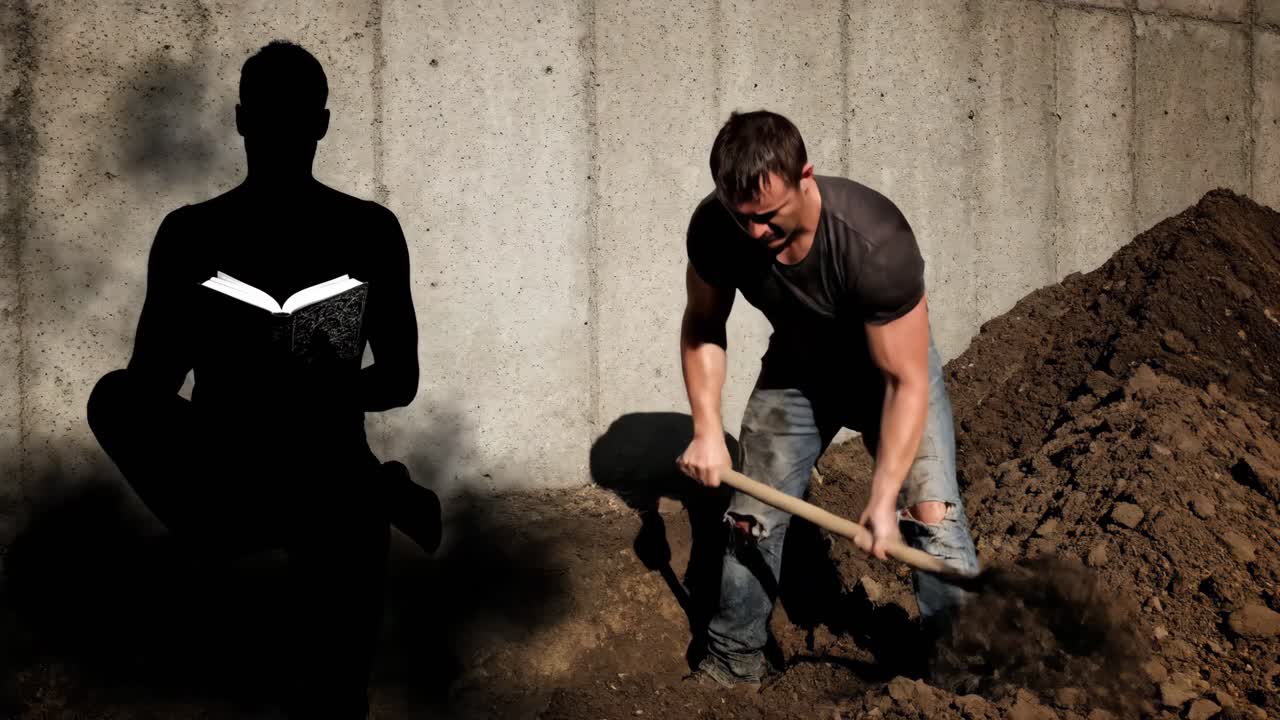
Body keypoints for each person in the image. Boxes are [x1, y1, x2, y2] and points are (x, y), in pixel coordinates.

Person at [86, 40, 440, 718]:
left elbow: (401, 379)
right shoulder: (193, 235)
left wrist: (308, 390)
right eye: (273, 119)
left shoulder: (367, 230)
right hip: (246, 464)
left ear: (242, 119)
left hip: (323, 472)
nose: (277, 133)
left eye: (285, 118)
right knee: (115, 399)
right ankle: (376, 490)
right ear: (316, 123)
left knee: (336, 696)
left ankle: (354, 494)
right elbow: (148, 389)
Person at [676, 110, 979, 688]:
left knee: (931, 516)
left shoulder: (874, 241)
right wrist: (706, 429)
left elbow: (907, 381)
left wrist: (885, 495)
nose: (757, 233)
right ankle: (733, 662)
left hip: (886, 375)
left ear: (805, 176)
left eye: (768, 217)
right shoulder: (718, 229)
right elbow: (703, 326)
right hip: (798, 373)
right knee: (751, 517)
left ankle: (964, 677)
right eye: (744, 220)